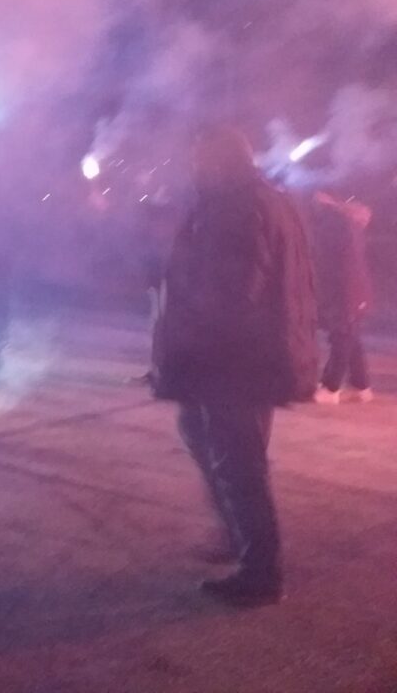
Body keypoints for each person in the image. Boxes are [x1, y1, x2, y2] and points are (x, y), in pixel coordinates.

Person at [153, 126, 317, 607]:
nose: (192, 168)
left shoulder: (238, 207)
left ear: (219, 161)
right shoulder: (265, 201)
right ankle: (238, 536)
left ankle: (261, 572)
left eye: (198, 159)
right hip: (246, 356)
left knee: (238, 461)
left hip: (234, 360)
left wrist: (189, 339)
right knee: (202, 433)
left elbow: (232, 290)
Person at [308, 192, 374, 404]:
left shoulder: (336, 224)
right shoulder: (346, 225)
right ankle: (361, 385)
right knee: (350, 337)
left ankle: (331, 387)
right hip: (350, 292)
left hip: (345, 292)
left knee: (342, 336)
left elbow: (342, 264)